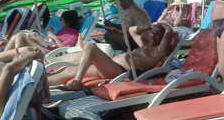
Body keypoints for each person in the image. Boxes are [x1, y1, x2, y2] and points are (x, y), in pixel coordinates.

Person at [48, 23, 177, 91]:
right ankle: (41, 83)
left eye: (156, 34)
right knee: (69, 70)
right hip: (110, 65)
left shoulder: (158, 51)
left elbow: (170, 32)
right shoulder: (145, 44)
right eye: (152, 32)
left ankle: (77, 82)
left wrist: (164, 26)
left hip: (118, 71)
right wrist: (150, 26)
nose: (152, 35)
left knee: (90, 47)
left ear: (163, 38)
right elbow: (132, 30)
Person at [2, 9, 80, 54]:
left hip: (50, 53)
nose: (60, 21)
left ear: (67, 22)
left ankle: (15, 59)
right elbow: (50, 42)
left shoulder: (73, 34)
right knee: (16, 36)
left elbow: (65, 49)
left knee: (20, 35)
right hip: (47, 47)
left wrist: (54, 37)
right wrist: (50, 34)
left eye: (61, 19)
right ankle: (3, 58)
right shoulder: (63, 31)